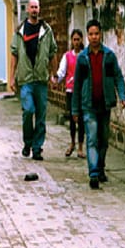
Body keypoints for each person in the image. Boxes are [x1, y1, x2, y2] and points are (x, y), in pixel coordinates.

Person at [72, 18, 125, 189]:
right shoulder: (82, 58)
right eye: (91, 34)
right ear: (87, 36)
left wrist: (122, 95)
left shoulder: (109, 56)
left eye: (96, 33)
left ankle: (100, 167)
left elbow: (118, 76)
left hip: (105, 103)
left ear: (101, 34)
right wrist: (74, 109)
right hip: (88, 105)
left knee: (103, 139)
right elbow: (77, 85)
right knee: (92, 139)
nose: (94, 37)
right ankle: (93, 173)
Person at [9, 0, 57, 161]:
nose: (35, 10)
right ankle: (27, 142)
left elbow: (52, 53)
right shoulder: (20, 31)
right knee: (28, 111)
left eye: (37, 7)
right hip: (26, 79)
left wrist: (53, 74)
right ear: (28, 10)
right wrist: (12, 78)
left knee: (41, 116)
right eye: (32, 7)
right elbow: (14, 55)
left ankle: (37, 148)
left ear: (39, 9)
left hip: (41, 79)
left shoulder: (47, 30)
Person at [55, 28, 86, 158]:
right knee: (73, 118)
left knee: (82, 119)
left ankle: (80, 146)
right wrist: (55, 80)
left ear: (81, 40)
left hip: (83, 91)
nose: (76, 42)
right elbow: (62, 72)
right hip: (71, 90)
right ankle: (72, 143)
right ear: (71, 41)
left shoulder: (85, 55)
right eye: (74, 39)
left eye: (78, 39)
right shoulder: (67, 56)